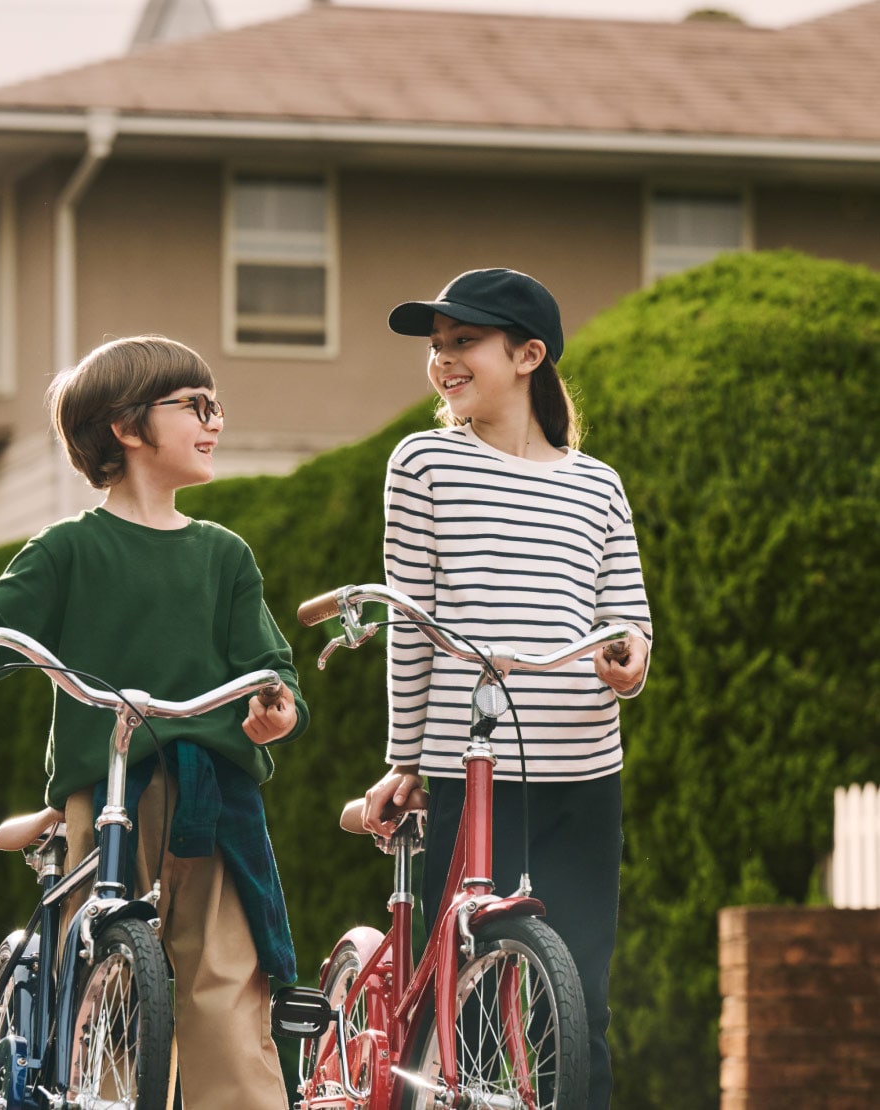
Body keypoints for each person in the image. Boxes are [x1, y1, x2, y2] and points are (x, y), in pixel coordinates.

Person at [0, 335, 309, 1109]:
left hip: (212, 789)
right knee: (97, 975)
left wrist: (276, 707)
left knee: (225, 975)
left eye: (216, 406)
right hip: (103, 788)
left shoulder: (224, 556)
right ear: (128, 428)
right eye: (195, 407)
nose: (215, 421)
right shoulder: (69, 549)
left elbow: (271, 665)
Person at [361, 269, 652, 1109]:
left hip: (587, 764)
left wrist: (630, 659)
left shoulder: (598, 484)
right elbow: (409, 623)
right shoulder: (423, 464)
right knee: (477, 992)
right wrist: (403, 759)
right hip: (473, 765)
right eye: (437, 345)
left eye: (465, 342)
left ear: (528, 355)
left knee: (581, 999)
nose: (444, 360)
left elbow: (628, 617)